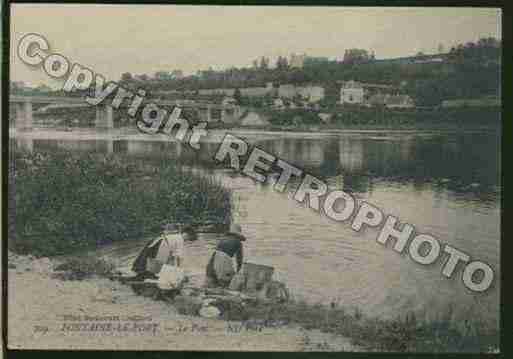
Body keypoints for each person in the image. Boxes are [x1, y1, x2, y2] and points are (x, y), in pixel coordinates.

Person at [132, 224, 197, 280]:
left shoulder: (177, 236)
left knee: (149, 258)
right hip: (161, 244)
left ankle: (144, 272)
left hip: (158, 241)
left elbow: (174, 256)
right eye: (188, 238)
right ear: (186, 234)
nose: (187, 240)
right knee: (154, 260)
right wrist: (179, 270)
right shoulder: (180, 240)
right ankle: (146, 274)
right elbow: (179, 257)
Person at [205, 223, 246, 288]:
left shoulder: (222, 239)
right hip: (224, 259)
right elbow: (239, 259)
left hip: (214, 258)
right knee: (226, 283)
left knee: (212, 281)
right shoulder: (238, 242)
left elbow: (215, 254)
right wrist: (238, 271)